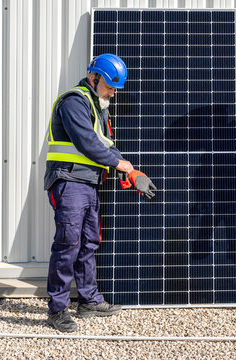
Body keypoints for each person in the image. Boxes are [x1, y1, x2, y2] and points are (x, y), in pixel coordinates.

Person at [44, 53, 156, 332]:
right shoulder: (74, 102)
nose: (114, 94)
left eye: (116, 89)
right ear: (94, 78)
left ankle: (89, 300)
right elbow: (86, 141)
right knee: (67, 244)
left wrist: (130, 170)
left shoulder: (98, 106)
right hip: (68, 181)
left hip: (89, 182)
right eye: (109, 87)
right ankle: (58, 309)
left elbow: (105, 144)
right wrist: (120, 164)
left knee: (89, 243)